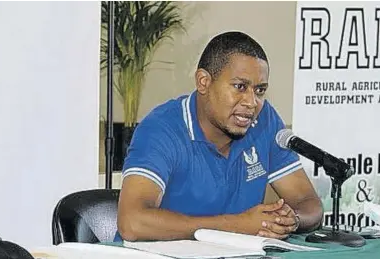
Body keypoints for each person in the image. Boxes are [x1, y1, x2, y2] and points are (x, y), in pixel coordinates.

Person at [116, 31, 324, 242]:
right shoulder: (161, 129)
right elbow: (132, 222)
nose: (251, 102)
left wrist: (290, 221)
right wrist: (237, 226)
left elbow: (308, 202)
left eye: (259, 90)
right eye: (240, 87)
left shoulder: (264, 121)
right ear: (204, 82)